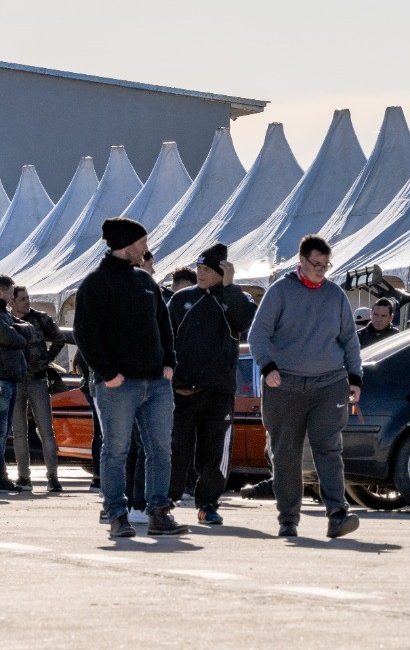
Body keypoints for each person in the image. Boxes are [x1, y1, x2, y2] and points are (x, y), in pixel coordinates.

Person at [74, 217, 189, 539]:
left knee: (160, 450)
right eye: (142, 243)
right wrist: (108, 374)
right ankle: (116, 516)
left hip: (156, 383)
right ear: (126, 244)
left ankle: (158, 513)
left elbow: (163, 324)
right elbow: (85, 333)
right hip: (118, 386)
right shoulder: (96, 283)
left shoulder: (145, 280)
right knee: (116, 451)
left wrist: (169, 362)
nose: (146, 249)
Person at [247, 235, 362, 540]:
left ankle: (338, 514)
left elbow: (350, 340)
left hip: (328, 383)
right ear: (301, 261)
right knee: (285, 453)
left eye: (326, 265)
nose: (321, 270)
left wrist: (355, 377)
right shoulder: (280, 292)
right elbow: (258, 334)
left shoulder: (335, 295)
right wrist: (267, 366)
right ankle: (288, 519)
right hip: (284, 384)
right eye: (316, 264)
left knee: (329, 447)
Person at [168, 243, 256, 526]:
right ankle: (164, 502)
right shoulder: (181, 299)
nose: (200, 273)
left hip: (219, 392)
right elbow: (165, 339)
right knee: (176, 449)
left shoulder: (235, 297)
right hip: (181, 390)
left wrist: (230, 288)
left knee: (214, 452)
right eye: (199, 268)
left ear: (222, 271)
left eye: (206, 269)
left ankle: (208, 504)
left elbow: (244, 321)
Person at [0, 276, 34, 493]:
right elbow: (9, 337)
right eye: (11, 292)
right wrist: (19, 333)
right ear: (0, 293)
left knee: (4, 430)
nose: (13, 297)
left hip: (10, 377)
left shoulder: (2, 312)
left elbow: (24, 328)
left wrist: (18, 330)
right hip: (1, 377)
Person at [10, 284, 65, 493]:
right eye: (22, 299)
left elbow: (59, 339)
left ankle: (53, 477)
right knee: (19, 433)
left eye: (27, 298)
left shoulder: (41, 318)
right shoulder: (8, 321)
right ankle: (24, 477)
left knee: (46, 431)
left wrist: (46, 360)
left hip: (38, 380)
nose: (27, 301)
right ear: (12, 301)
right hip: (15, 381)